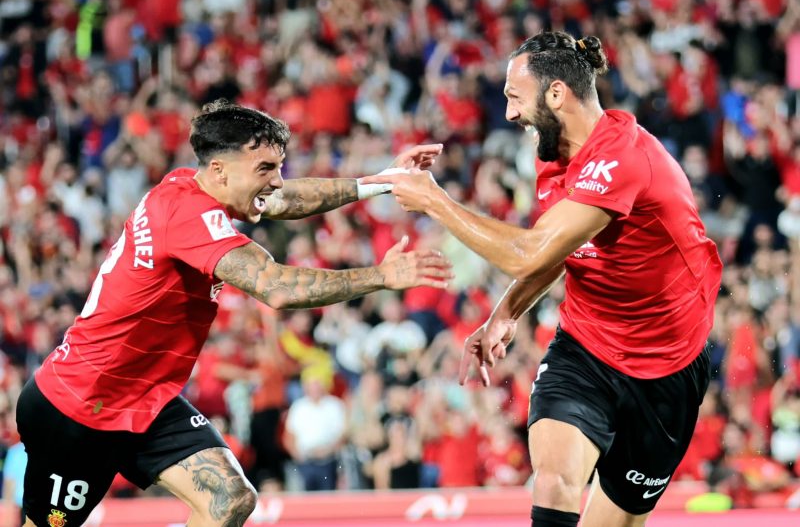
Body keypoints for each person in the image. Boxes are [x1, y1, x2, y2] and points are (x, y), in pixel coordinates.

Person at [15, 99, 452, 527]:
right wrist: (380, 275)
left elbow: (284, 200)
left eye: (278, 167)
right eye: (265, 169)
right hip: (79, 406)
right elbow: (276, 287)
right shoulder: (186, 215)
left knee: (230, 500)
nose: (277, 181)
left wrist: (381, 182)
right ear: (221, 171)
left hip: (143, 397)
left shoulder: (193, 185)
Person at [361, 31, 723, 526]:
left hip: (666, 367)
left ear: (556, 94)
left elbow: (529, 253)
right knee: (553, 481)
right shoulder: (554, 152)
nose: (508, 113)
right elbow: (557, 247)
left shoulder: (622, 157)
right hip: (586, 345)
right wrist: (505, 313)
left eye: (514, 96)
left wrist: (433, 200)